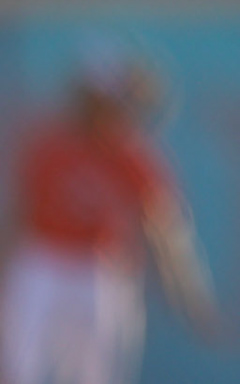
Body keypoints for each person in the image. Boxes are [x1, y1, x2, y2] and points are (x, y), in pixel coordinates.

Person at [0, 47, 219, 384]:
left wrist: (192, 295)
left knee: (94, 375)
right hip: (43, 262)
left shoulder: (135, 157)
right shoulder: (49, 146)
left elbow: (168, 232)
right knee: (16, 368)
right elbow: (16, 215)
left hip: (100, 271)